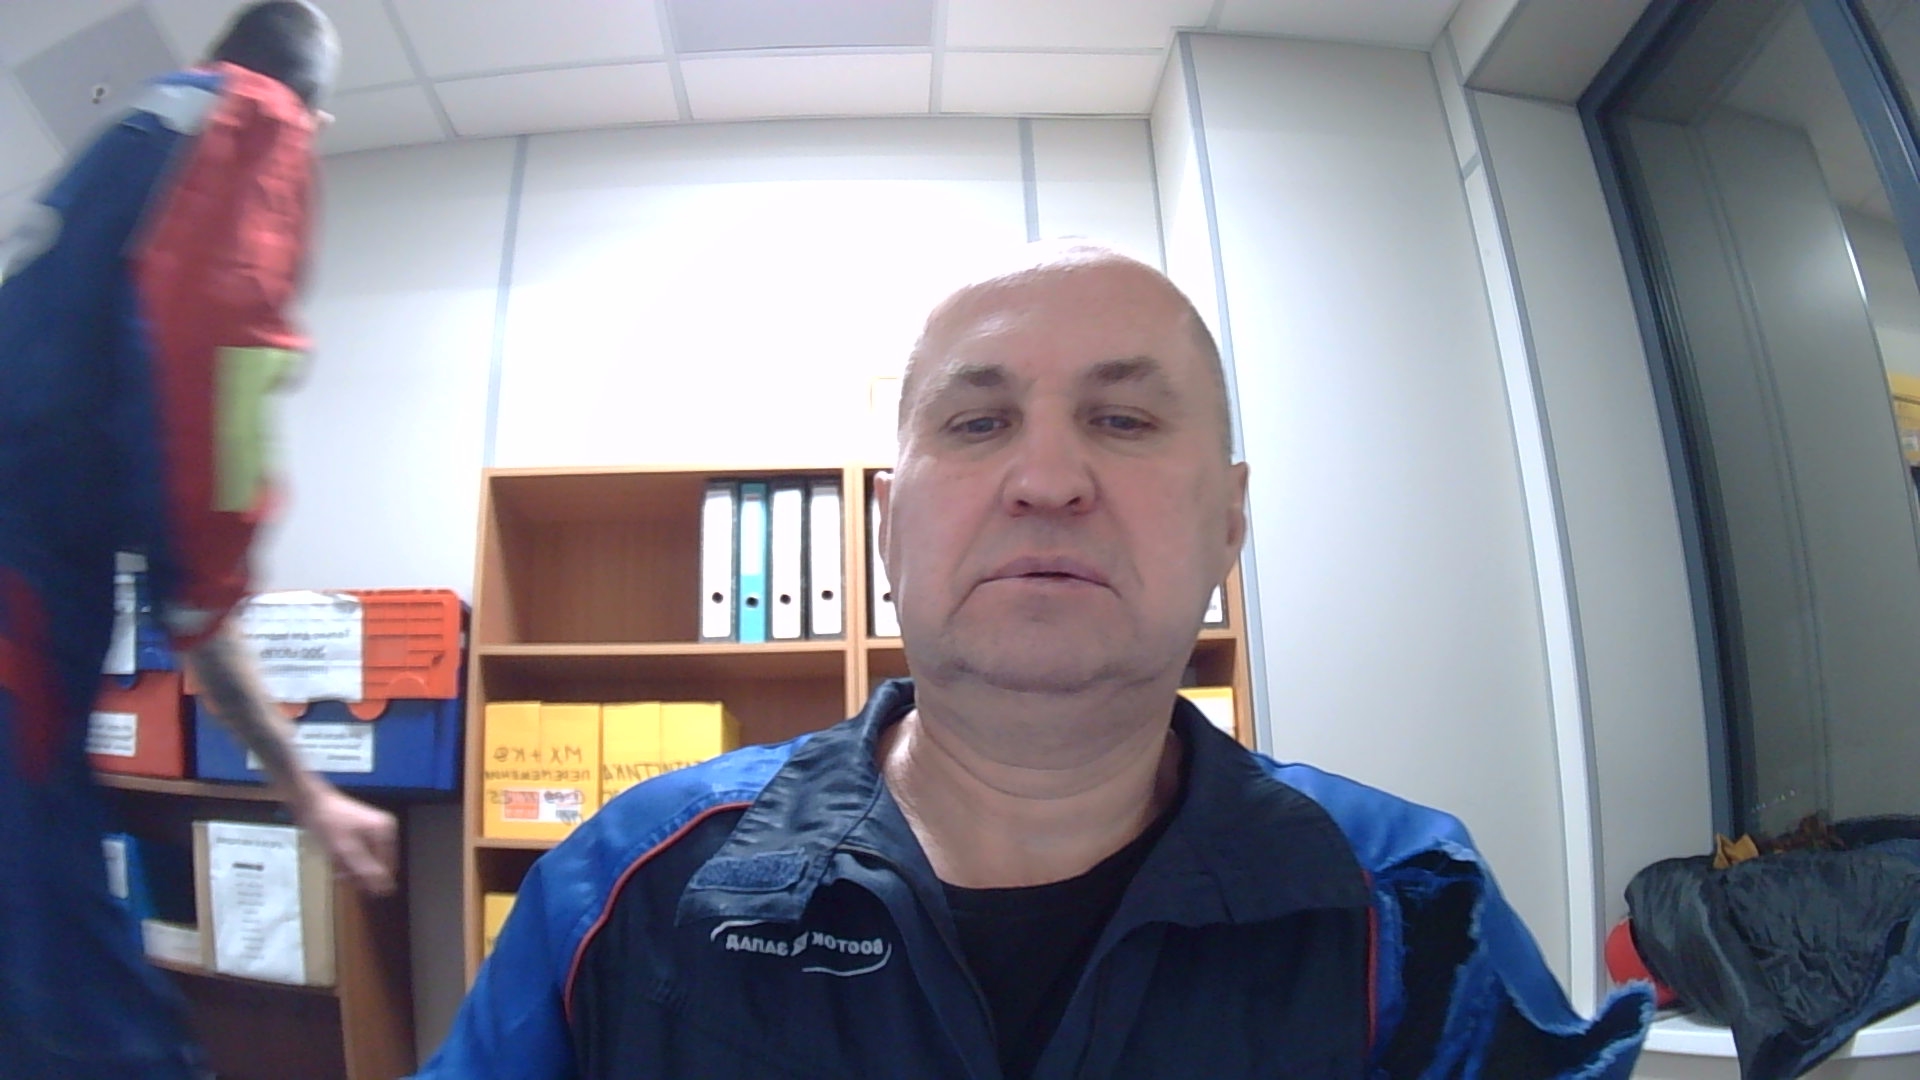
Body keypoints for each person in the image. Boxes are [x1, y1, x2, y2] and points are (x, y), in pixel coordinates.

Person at [419, 245, 1653, 1078]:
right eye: (978, 423)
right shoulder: (625, 887)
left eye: (1122, 420)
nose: (1049, 479)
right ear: (886, 528)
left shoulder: (1410, 903)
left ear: (1229, 522)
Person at [0, 4, 399, 1078]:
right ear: (314, 112)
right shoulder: (252, 125)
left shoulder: (134, 143)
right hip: (18, 612)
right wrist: (304, 784)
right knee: (68, 1000)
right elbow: (215, 377)